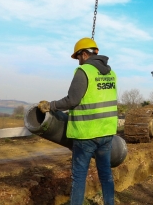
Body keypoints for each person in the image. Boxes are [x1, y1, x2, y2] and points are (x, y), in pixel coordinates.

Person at [38, 37, 118, 205]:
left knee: (79, 176)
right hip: (106, 132)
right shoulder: (111, 73)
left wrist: (50, 106)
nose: (78, 62)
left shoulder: (84, 72)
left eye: (78, 57)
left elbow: (72, 100)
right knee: (105, 174)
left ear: (84, 54)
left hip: (86, 134)